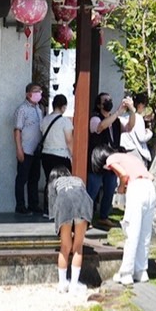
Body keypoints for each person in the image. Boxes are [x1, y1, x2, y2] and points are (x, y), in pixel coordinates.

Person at [103, 144, 156, 286]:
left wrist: (120, 190)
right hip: (150, 188)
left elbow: (124, 175)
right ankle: (141, 271)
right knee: (145, 234)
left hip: (137, 188)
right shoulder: (133, 158)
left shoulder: (111, 158)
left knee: (132, 233)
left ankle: (126, 274)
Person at [48, 163, 92, 293]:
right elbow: (83, 194)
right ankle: (74, 284)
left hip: (64, 203)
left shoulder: (54, 184)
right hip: (83, 203)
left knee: (65, 246)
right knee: (78, 246)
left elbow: (53, 209)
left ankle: (62, 283)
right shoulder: (78, 179)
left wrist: (59, 225)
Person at [87, 92, 125, 227]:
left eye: (110, 100)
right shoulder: (95, 119)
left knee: (110, 189)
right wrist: (117, 113)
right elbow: (100, 127)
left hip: (112, 160)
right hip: (97, 161)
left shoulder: (116, 121)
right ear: (99, 104)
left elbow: (129, 128)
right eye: (105, 101)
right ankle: (86, 218)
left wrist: (131, 111)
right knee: (93, 189)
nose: (108, 102)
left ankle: (104, 216)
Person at [38, 95, 74, 216]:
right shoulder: (65, 122)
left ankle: (47, 210)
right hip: (61, 155)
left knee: (49, 181)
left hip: (46, 155)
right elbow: (69, 140)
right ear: (63, 107)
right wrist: (73, 155)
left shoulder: (45, 120)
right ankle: (61, 210)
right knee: (63, 183)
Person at [12, 83, 45, 215]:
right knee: (22, 178)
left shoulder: (39, 109)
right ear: (28, 94)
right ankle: (20, 205)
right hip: (25, 149)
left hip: (36, 150)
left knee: (34, 178)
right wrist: (19, 149)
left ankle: (33, 204)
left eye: (39, 91)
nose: (38, 93)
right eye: (35, 91)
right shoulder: (22, 109)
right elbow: (17, 130)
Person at [118, 97, 152, 166]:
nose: (144, 108)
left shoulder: (122, 116)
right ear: (140, 105)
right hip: (134, 151)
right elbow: (142, 138)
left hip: (123, 150)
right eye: (144, 106)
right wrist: (149, 133)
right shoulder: (138, 118)